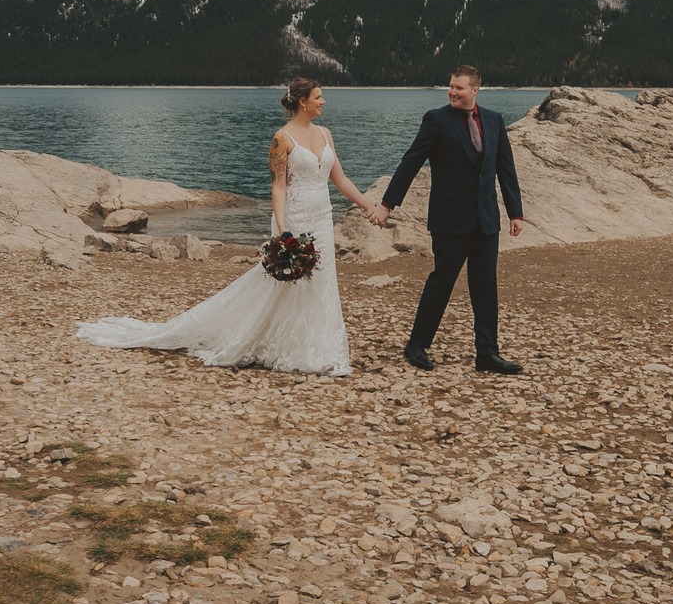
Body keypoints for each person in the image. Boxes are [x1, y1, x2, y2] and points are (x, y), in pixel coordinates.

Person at [76, 78, 383, 376]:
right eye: (318, 97)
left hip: (322, 218)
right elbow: (278, 187)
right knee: (284, 285)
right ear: (302, 102)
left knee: (322, 282)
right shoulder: (282, 138)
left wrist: (368, 206)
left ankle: (321, 350)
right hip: (296, 219)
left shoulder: (326, 134)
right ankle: (277, 344)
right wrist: (282, 227)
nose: (323, 101)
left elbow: (339, 180)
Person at [373, 64, 526, 374]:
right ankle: (416, 345)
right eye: (451, 86)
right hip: (450, 220)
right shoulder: (437, 120)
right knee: (442, 281)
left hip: (485, 220)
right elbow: (411, 161)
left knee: (485, 285)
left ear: (475, 90)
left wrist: (515, 211)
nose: (452, 91)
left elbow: (505, 169)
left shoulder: (495, 121)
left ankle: (487, 353)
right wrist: (388, 204)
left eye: (459, 87)